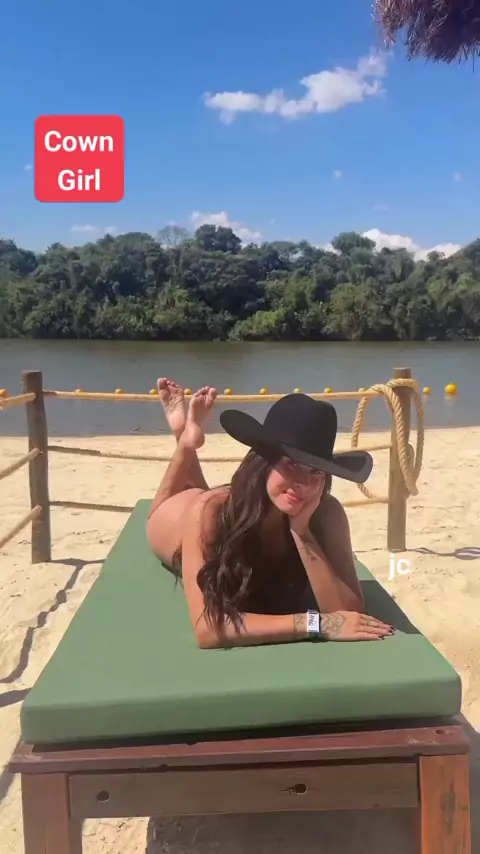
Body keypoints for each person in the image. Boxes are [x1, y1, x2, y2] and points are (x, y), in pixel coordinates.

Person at [147, 378, 395, 649]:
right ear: (263, 463)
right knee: (174, 503)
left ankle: (185, 436)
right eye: (292, 465)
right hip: (174, 520)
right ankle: (185, 440)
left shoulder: (327, 513)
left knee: (210, 498)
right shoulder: (207, 511)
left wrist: (301, 532)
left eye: (315, 471)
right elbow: (208, 628)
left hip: (231, 506)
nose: (304, 483)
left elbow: (348, 613)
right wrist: (315, 624)